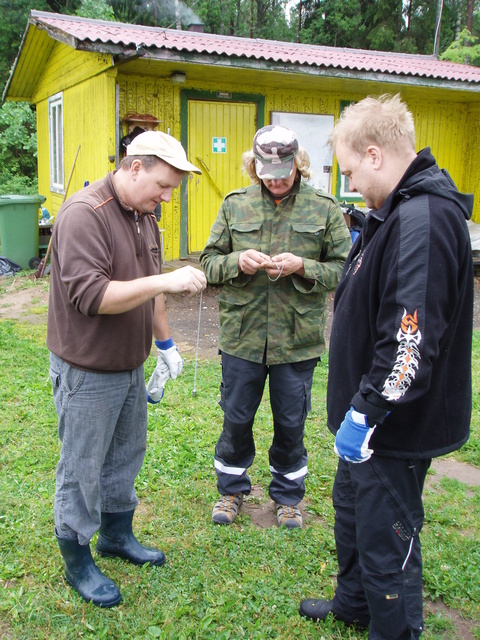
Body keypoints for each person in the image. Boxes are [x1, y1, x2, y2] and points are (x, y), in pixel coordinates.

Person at [299, 95, 474, 638]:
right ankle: (354, 603)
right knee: (352, 512)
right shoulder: (392, 212)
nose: (350, 184)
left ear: (374, 155)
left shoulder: (421, 219)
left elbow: (409, 338)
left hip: (390, 429)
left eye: (350, 171)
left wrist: (368, 412)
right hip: (368, 419)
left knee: (386, 535)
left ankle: (394, 630)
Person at [47, 130, 207, 608]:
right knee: (82, 466)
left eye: (173, 189)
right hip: (87, 369)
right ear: (134, 166)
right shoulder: (82, 215)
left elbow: (148, 290)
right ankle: (77, 556)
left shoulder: (144, 216)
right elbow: (93, 296)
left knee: (125, 454)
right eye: (163, 185)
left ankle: (116, 536)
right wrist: (168, 278)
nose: (166, 196)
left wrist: (164, 344)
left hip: (129, 364)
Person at [200, 124, 351, 529]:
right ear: (255, 167)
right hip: (242, 337)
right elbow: (209, 263)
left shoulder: (324, 208)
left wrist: (304, 266)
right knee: (236, 417)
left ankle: (287, 498)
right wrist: (237, 261)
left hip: (297, 340)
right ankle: (231, 492)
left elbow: (345, 269)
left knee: (290, 421)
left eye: (284, 170)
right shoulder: (235, 205)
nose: (277, 179)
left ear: (298, 164)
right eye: (268, 172)